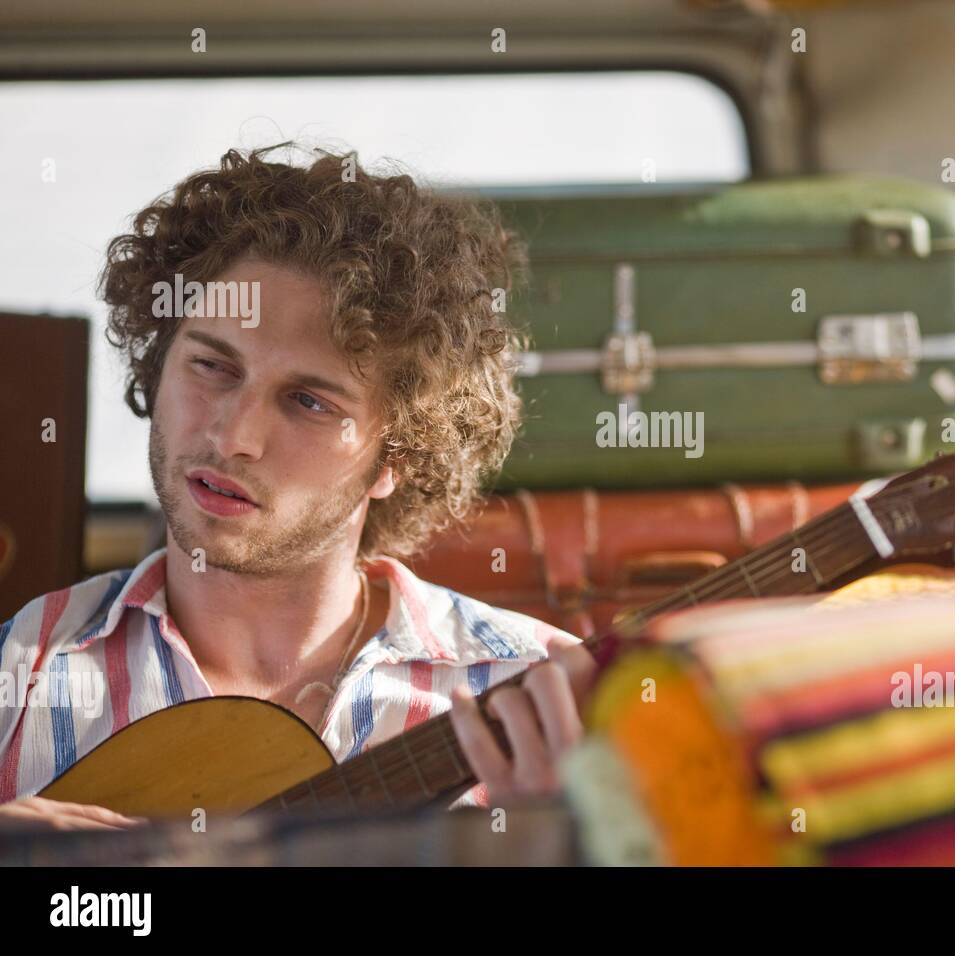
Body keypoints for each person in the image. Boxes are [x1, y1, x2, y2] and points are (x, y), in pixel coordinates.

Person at [0, 145, 594, 830]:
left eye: (309, 402)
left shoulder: (536, 690)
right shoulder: (27, 667)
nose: (233, 437)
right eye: (212, 366)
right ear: (158, 363)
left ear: (396, 457)